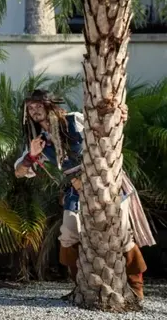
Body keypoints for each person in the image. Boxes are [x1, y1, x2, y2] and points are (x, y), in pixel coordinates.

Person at [14, 89, 155, 301]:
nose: (34, 111)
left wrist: (119, 117)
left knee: (121, 233)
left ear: (49, 105)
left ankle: (136, 286)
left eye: (38, 105)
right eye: (30, 108)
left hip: (106, 181)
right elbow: (19, 172)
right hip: (76, 188)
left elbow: (105, 129)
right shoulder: (38, 141)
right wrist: (31, 157)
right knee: (68, 234)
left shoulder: (75, 120)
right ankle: (81, 285)